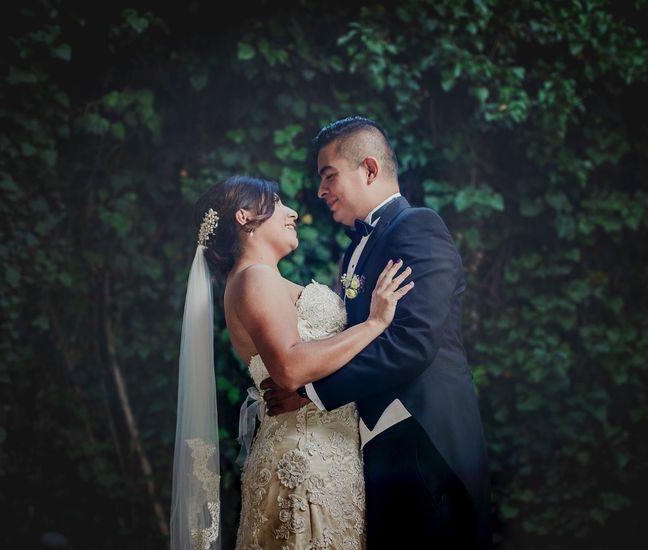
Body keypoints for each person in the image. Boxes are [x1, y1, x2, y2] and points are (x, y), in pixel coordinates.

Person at [262, 117, 491, 548]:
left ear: (369, 169)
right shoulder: (356, 248)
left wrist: (309, 395)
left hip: (426, 440)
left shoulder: (418, 227)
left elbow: (412, 344)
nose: (320, 191)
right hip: (379, 448)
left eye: (329, 176)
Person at [170, 175, 414, 550]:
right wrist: (375, 323)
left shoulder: (260, 280)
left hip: (325, 456)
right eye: (278, 203)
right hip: (303, 464)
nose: (293, 212)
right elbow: (290, 367)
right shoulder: (255, 278)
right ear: (245, 216)